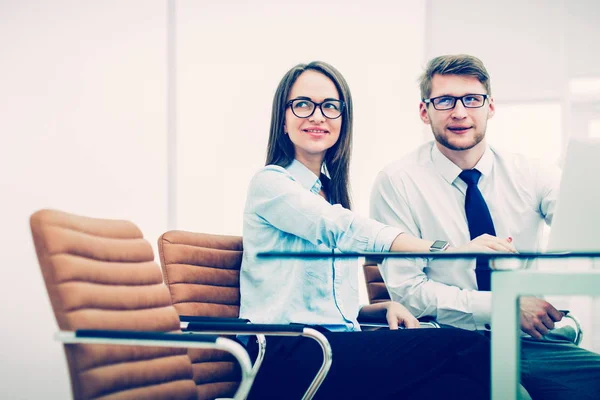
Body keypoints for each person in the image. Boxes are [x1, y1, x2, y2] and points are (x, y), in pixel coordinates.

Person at [239, 60, 499, 399]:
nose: (318, 116)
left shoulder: (328, 194)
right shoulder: (271, 184)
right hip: (288, 354)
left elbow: (321, 304)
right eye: (302, 105)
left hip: (332, 345)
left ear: (343, 121)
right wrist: (449, 248)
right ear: (283, 120)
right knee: (468, 346)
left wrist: (376, 310)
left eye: (330, 107)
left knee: (458, 388)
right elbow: (341, 229)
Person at [370, 54, 600, 400]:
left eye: (472, 100)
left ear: (490, 107)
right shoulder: (397, 182)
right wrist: (504, 304)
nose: (459, 112)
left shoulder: (531, 172)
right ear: (424, 111)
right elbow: (409, 292)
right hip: (448, 340)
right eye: (444, 101)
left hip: (528, 340)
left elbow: (582, 226)